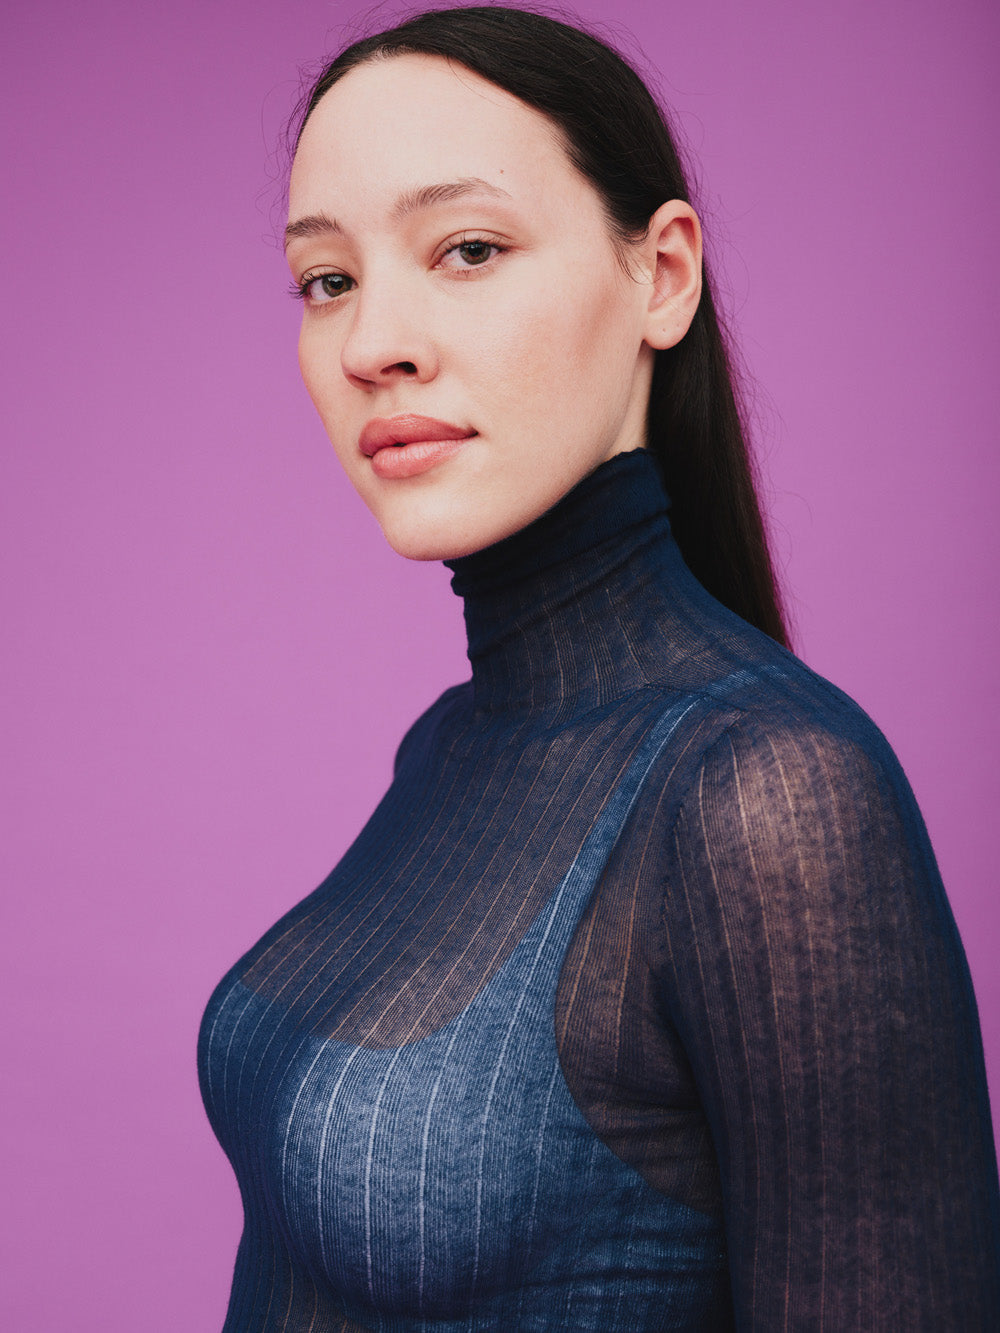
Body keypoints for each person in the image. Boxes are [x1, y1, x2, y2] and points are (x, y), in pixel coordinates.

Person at [197, 7, 1000, 1329]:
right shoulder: (448, 748)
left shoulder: (764, 795)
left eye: (467, 248)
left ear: (661, 276)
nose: (369, 344)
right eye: (326, 278)